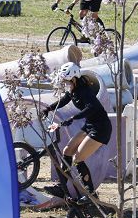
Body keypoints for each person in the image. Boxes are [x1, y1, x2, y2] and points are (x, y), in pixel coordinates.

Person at [42, 63, 111, 202]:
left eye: (66, 81)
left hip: (100, 129)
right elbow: (64, 100)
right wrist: (48, 108)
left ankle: (91, 194)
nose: (65, 83)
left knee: (78, 159)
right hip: (90, 125)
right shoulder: (73, 89)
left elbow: (92, 107)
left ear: (74, 79)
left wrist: (73, 118)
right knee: (67, 151)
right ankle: (63, 187)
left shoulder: (84, 91)